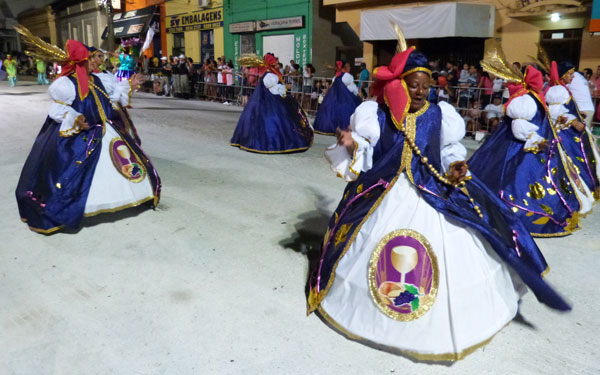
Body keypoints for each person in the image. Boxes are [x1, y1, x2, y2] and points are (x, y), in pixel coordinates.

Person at [308, 44, 570, 361]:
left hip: (430, 188)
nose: (419, 92)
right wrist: (350, 145)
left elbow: (447, 150)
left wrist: (456, 164)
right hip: (385, 191)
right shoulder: (375, 115)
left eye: (425, 86)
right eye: (413, 84)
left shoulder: (439, 114)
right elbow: (363, 152)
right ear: (399, 84)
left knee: (470, 232)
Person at [15, 36, 161, 234]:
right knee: (75, 171)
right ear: (80, 62)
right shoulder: (66, 84)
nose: (96, 62)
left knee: (120, 162)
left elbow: (114, 97)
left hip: (106, 129)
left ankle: (128, 196)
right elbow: (58, 110)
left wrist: (129, 84)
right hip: (81, 134)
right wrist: (75, 119)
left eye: (97, 58)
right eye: (91, 59)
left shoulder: (100, 79)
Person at [469, 55, 584, 237]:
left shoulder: (531, 96)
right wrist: (534, 138)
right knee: (515, 180)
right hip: (522, 147)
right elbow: (519, 125)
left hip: (532, 144)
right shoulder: (526, 100)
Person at [230, 53, 313, 153]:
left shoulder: (267, 73)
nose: (276, 64)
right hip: (269, 100)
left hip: (266, 99)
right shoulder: (269, 74)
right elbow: (275, 89)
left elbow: (274, 87)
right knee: (276, 120)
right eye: (275, 63)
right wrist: (284, 91)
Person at [545, 60, 600, 201]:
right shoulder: (558, 90)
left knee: (585, 154)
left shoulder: (563, 88)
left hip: (569, 130)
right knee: (574, 157)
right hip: (565, 132)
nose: (573, 77)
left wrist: (577, 113)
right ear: (563, 75)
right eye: (570, 74)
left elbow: (564, 107)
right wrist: (573, 121)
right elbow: (555, 110)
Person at [313, 61, 362, 135]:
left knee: (330, 112)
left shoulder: (336, 77)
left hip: (333, 99)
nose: (349, 68)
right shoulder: (347, 76)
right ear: (345, 67)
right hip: (345, 99)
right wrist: (358, 94)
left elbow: (331, 88)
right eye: (348, 66)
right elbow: (352, 88)